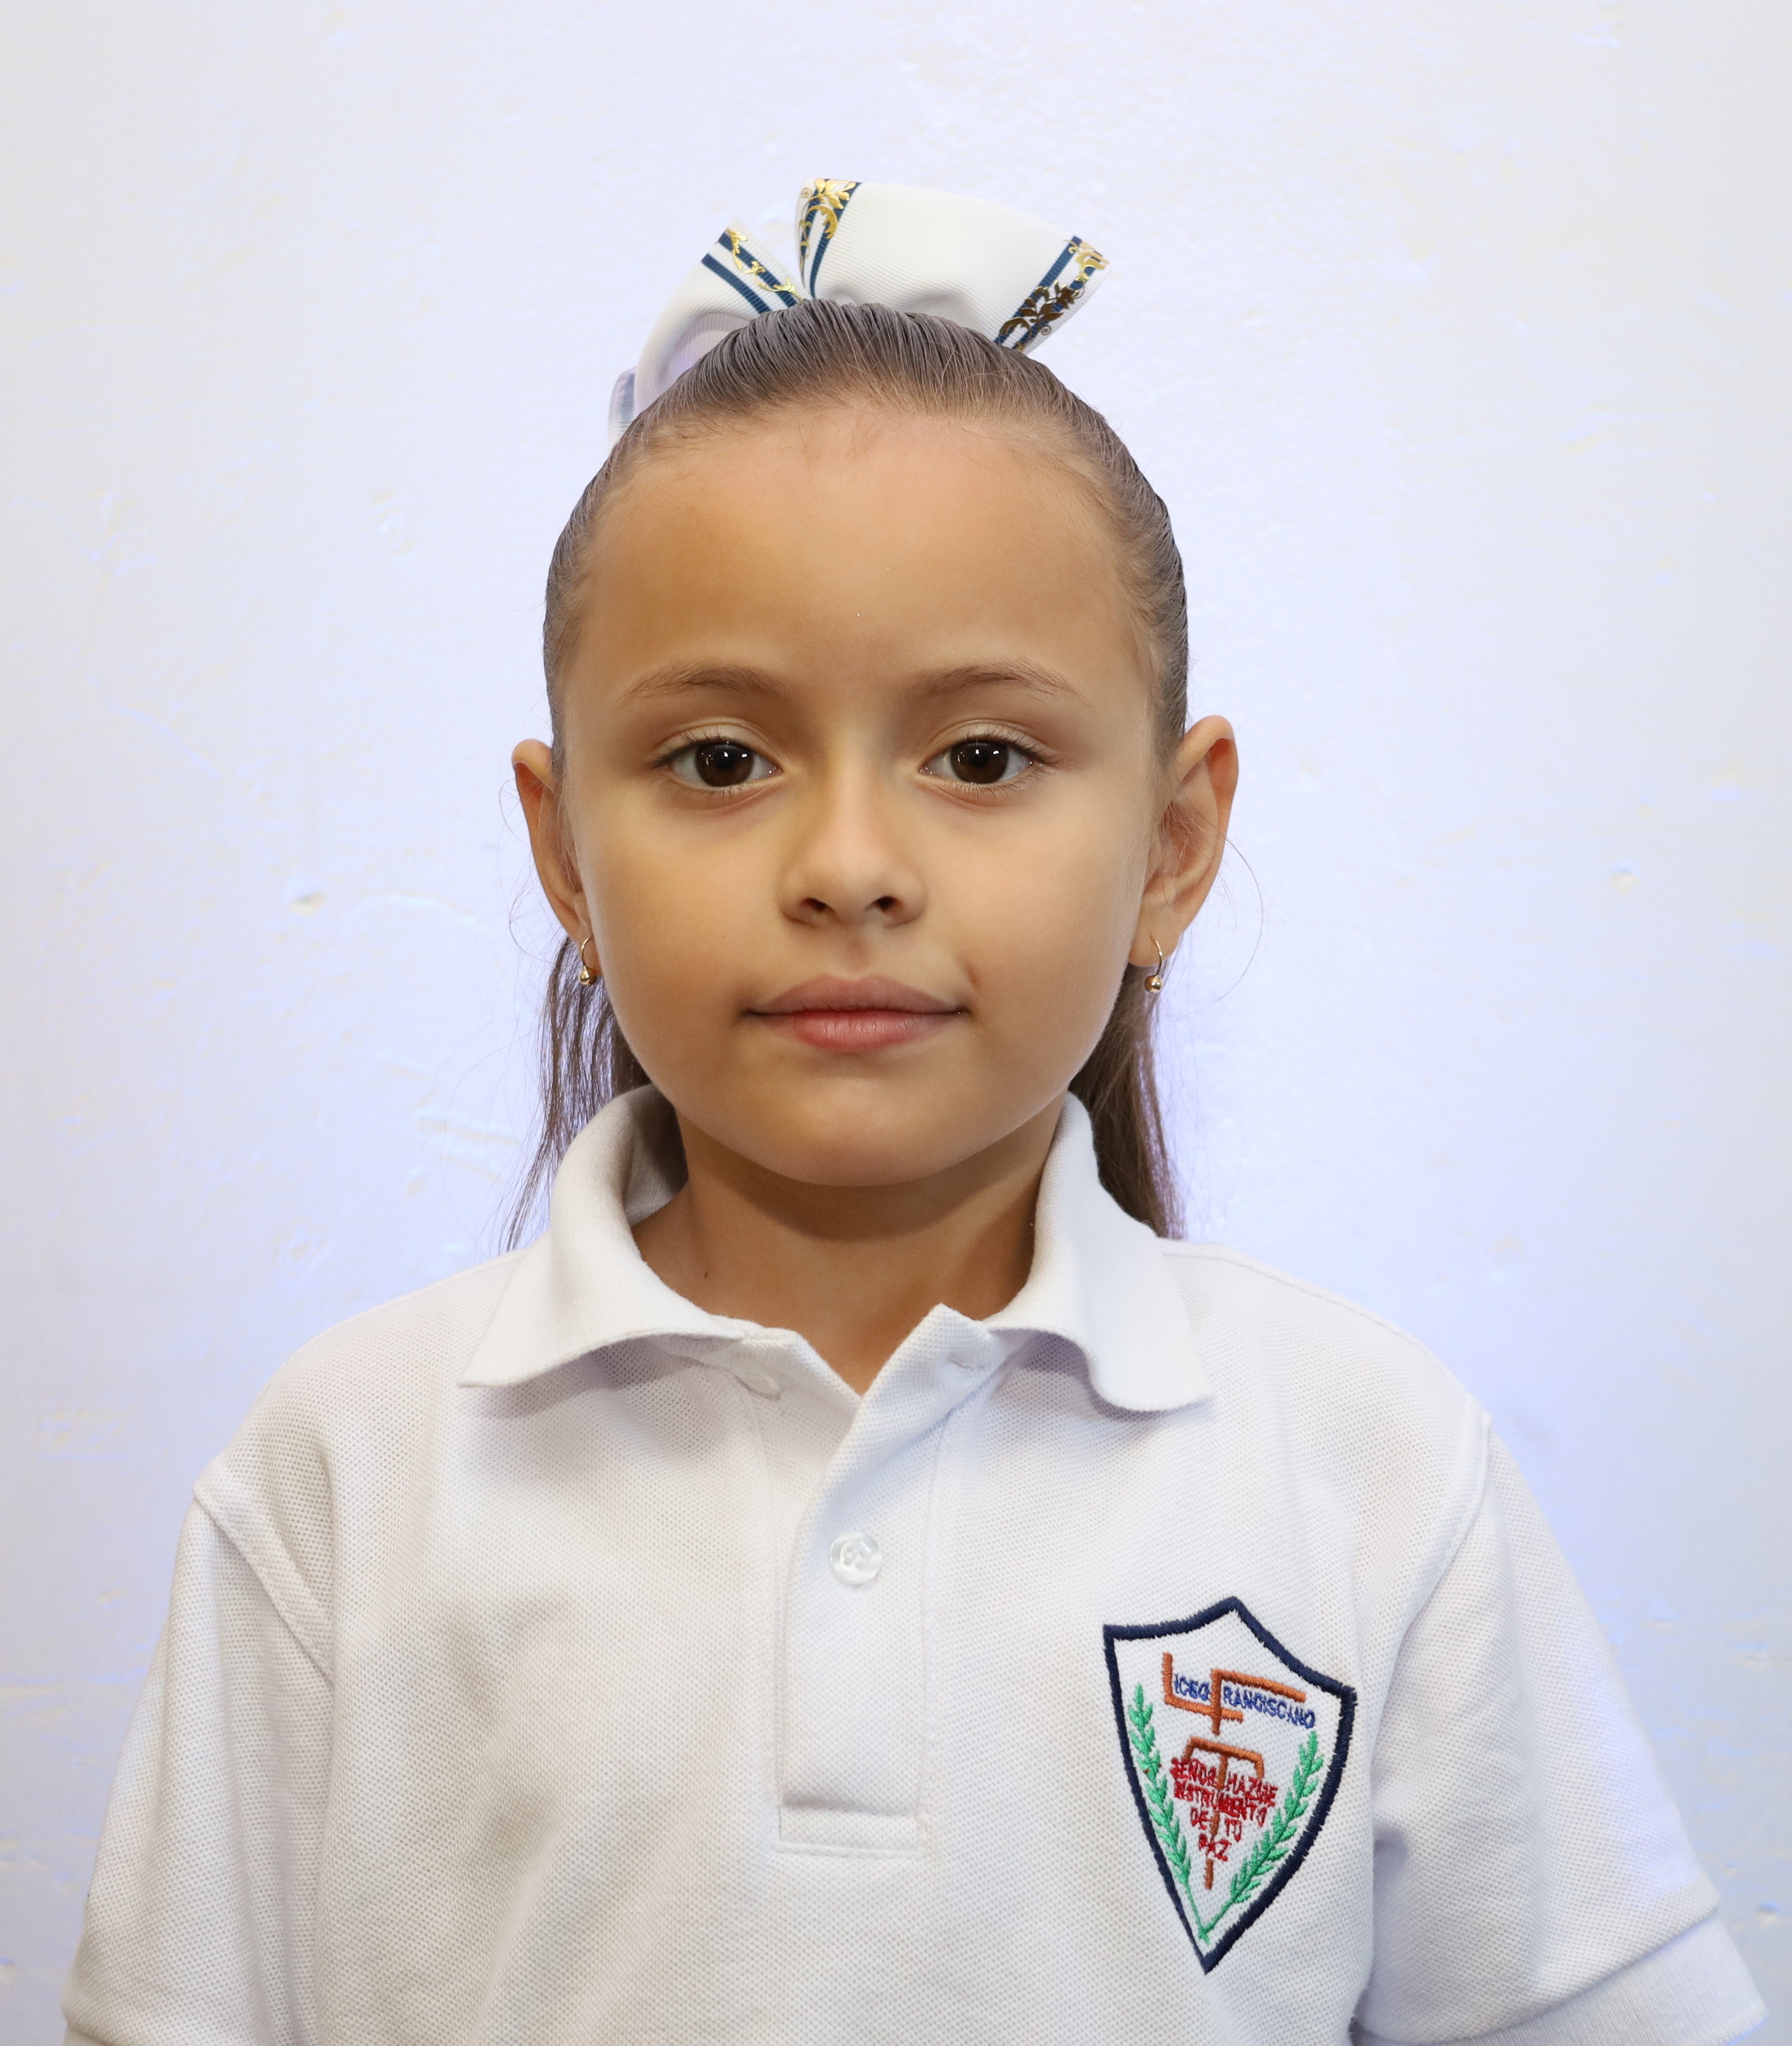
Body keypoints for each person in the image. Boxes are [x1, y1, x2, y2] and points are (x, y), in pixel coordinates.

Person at [63, 181, 1763, 2046]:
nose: (850, 864)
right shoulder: (345, 1471)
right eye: (722, 758)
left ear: (1172, 843)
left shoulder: (1368, 1467)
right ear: (562, 852)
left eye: (980, 755)